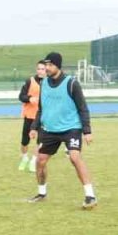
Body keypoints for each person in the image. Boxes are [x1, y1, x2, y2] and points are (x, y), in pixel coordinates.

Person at [28, 52, 97, 209]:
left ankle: (90, 196)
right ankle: (41, 193)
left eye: (50, 65)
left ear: (58, 66)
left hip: (71, 128)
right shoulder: (44, 84)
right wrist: (34, 127)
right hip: (50, 130)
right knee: (40, 161)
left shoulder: (71, 84)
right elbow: (41, 108)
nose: (47, 68)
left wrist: (87, 130)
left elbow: (83, 108)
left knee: (74, 157)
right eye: (46, 65)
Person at [16, 61, 46, 172]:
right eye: (39, 68)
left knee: (41, 140)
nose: (40, 71)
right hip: (29, 116)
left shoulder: (49, 83)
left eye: (43, 69)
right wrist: (29, 98)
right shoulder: (30, 81)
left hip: (43, 117)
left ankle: (33, 161)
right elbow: (21, 96)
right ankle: (24, 158)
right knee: (25, 140)